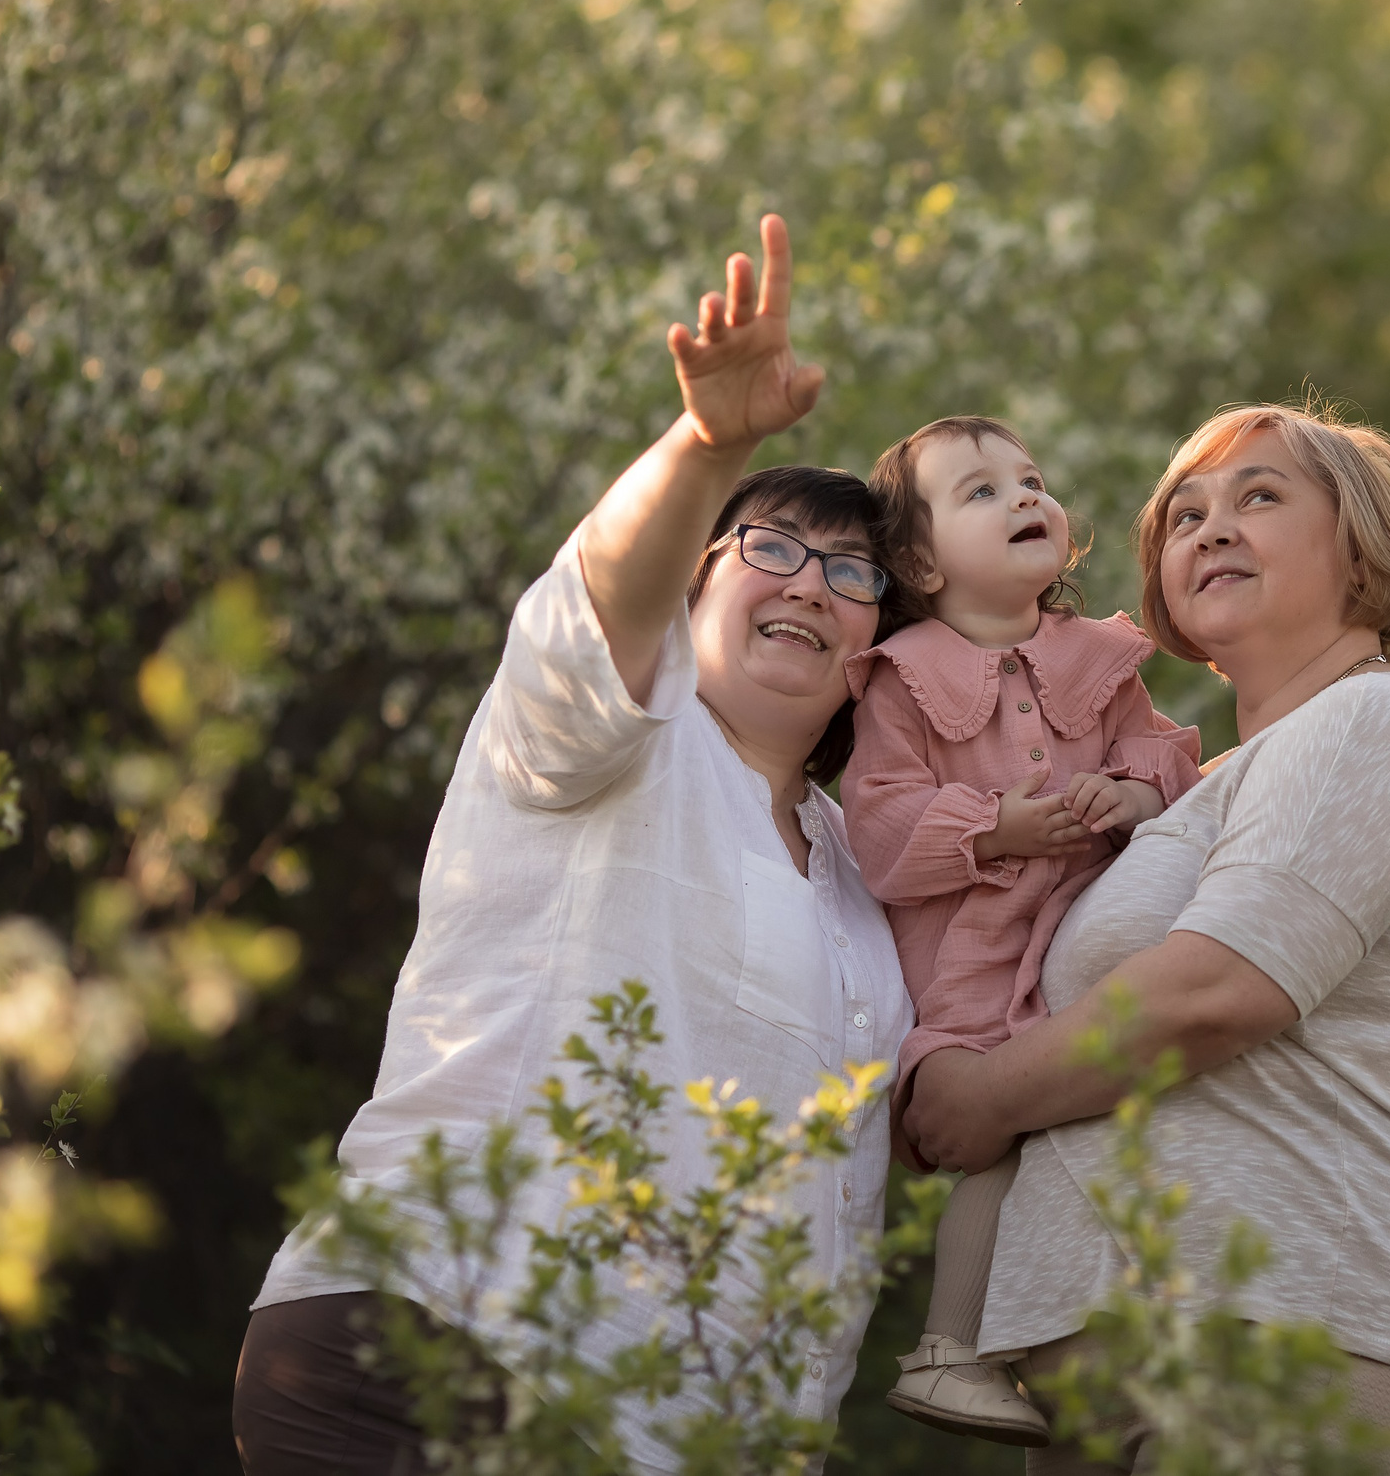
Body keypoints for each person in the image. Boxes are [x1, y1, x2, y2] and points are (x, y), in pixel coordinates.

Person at [232, 217, 914, 1475]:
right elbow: (603, 598)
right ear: (694, 583)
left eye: (852, 575)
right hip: (446, 1344)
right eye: (769, 549)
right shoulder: (618, 733)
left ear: (878, 648)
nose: (809, 585)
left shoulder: (871, 878)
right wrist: (707, 447)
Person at [905, 402, 1390, 1476]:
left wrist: (982, 1097)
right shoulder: (1204, 789)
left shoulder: (1370, 723)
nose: (1212, 529)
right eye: (1184, 516)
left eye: (1259, 497)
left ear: (1360, 547)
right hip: (1116, 1362)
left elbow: (1212, 993)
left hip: (1299, 1336)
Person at [843, 416, 1200, 1446]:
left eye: (1032, 479)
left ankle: (1130, 1311)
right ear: (921, 563)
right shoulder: (902, 677)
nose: (1025, 498)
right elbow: (879, 825)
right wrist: (991, 827)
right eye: (982, 491)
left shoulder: (1100, 659)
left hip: (1079, 944)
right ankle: (948, 1352)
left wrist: (1132, 795)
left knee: (1109, 1113)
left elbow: (1165, 757)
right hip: (972, 970)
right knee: (995, 1143)